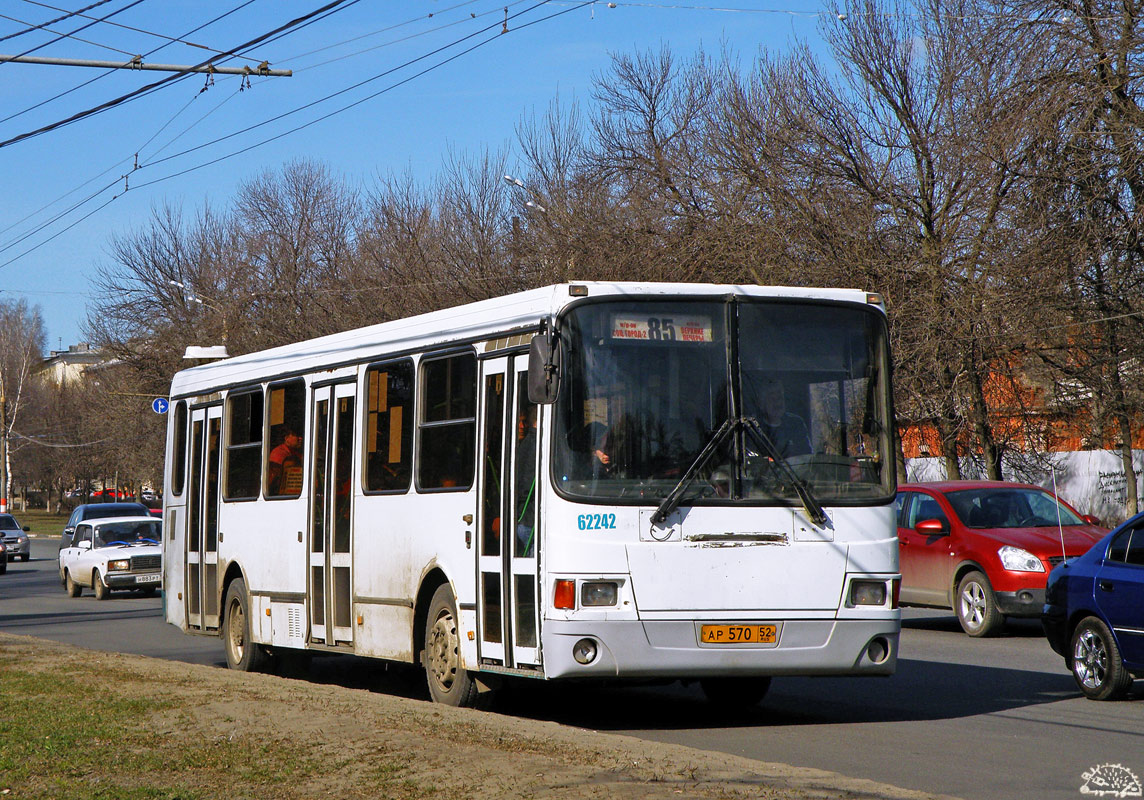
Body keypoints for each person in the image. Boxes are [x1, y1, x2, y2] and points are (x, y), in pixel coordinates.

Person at [754, 377, 812, 458]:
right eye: (772, 399)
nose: (777, 403)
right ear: (761, 403)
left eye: (779, 398)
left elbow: (806, 456)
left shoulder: (796, 424)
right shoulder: (753, 428)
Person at [267, 427, 303, 495]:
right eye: (297, 436)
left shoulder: (296, 454)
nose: (300, 438)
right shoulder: (278, 453)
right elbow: (273, 480)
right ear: (286, 438)